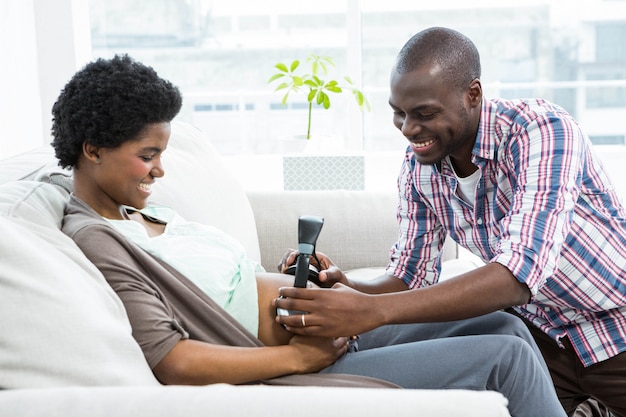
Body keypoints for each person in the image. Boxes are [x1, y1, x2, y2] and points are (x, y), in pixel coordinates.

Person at [51, 54, 568, 416]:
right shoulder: (101, 239)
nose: (160, 170)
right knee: (510, 358)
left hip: (324, 329)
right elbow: (171, 359)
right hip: (301, 362)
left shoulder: (145, 214)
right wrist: (298, 357)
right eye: (148, 155)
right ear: (93, 150)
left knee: (503, 325)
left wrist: (342, 290)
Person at [273, 27, 626, 417]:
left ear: (472, 95)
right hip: (540, 336)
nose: (408, 130)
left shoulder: (541, 132)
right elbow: (410, 275)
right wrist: (348, 285)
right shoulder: (420, 165)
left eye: (424, 114)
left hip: (613, 331)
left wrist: (373, 311)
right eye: (399, 113)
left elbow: (516, 277)